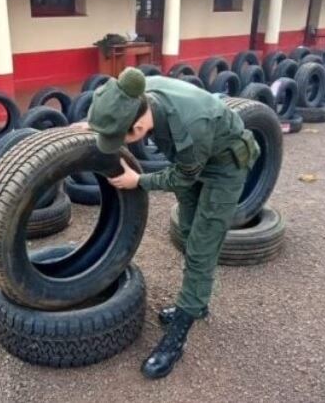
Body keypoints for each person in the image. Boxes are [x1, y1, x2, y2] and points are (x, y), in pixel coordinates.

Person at [74, 67, 260, 379]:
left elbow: (182, 176)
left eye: (123, 136)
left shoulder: (192, 126)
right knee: (188, 234)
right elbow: (120, 113)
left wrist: (139, 180)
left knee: (201, 249)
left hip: (224, 167)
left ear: (139, 125)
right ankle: (197, 303)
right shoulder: (138, 94)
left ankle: (176, 340)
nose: (122, 141)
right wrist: (99, 127)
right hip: (189, 158)